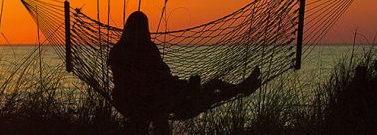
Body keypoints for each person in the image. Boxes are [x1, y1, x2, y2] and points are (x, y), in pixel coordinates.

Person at [108, 11, 262, 133]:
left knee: (209, 93)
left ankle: (241, 88)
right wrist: (183, 85)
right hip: (159, 102)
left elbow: (149, 78)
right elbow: (161, 77)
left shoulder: (117, 51)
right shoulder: (148, 49)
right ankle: (241, 88)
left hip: (133, 102)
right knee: (210, 89)